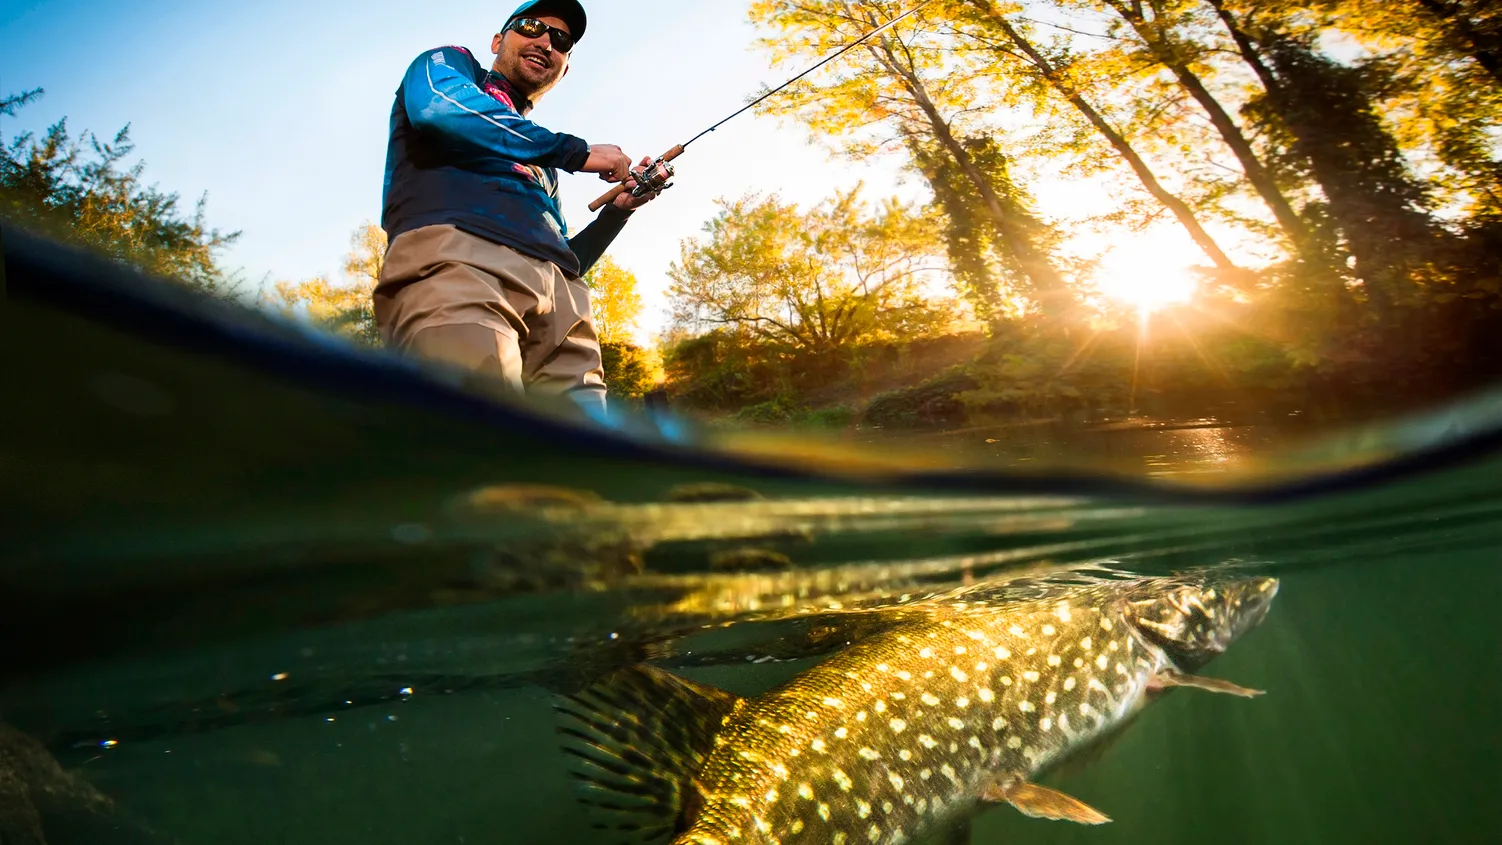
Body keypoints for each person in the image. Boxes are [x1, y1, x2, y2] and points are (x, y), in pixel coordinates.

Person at [373, 0, 662, 418]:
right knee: (478, 439)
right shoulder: (451, 64)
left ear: (564, 69)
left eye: (561, 41)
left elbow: (567, 258)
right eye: (530, 27)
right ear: (497, 40)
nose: (546, 41)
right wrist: (576, 152)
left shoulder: (545, 161)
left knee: (585, 461)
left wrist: (617, 212)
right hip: (461, 261)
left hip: (566, 308)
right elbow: (441, 107)